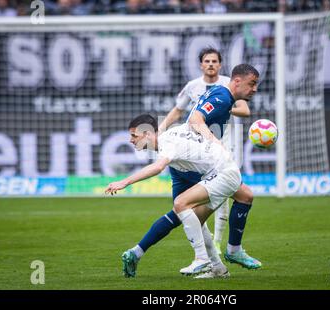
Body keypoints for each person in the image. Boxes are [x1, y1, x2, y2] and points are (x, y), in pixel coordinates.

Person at [105, 114, 238, 279]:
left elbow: (158, 167)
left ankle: (201, 258)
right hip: (222, 172)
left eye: (134, 135)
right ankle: (218, 268)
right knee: (194, 219)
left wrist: (125, 182)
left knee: (181, 204)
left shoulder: (166, 143)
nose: (131, 140)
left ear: (147, 134)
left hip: (223, 173)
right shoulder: (170, 137)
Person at [158, 47, 250, 256]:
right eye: (207, 61)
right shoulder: (193, 87)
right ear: (201, 65)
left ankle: (216, 242)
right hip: (199, 150)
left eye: (214, 61)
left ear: (220, 64)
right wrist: (161, 128)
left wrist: (226, 107)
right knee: (207, 194)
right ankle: (208, 246)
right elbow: (178, 110)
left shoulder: (229, 85)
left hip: (224, 146)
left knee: (227, 192)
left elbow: (245, 110)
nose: (210, 64)